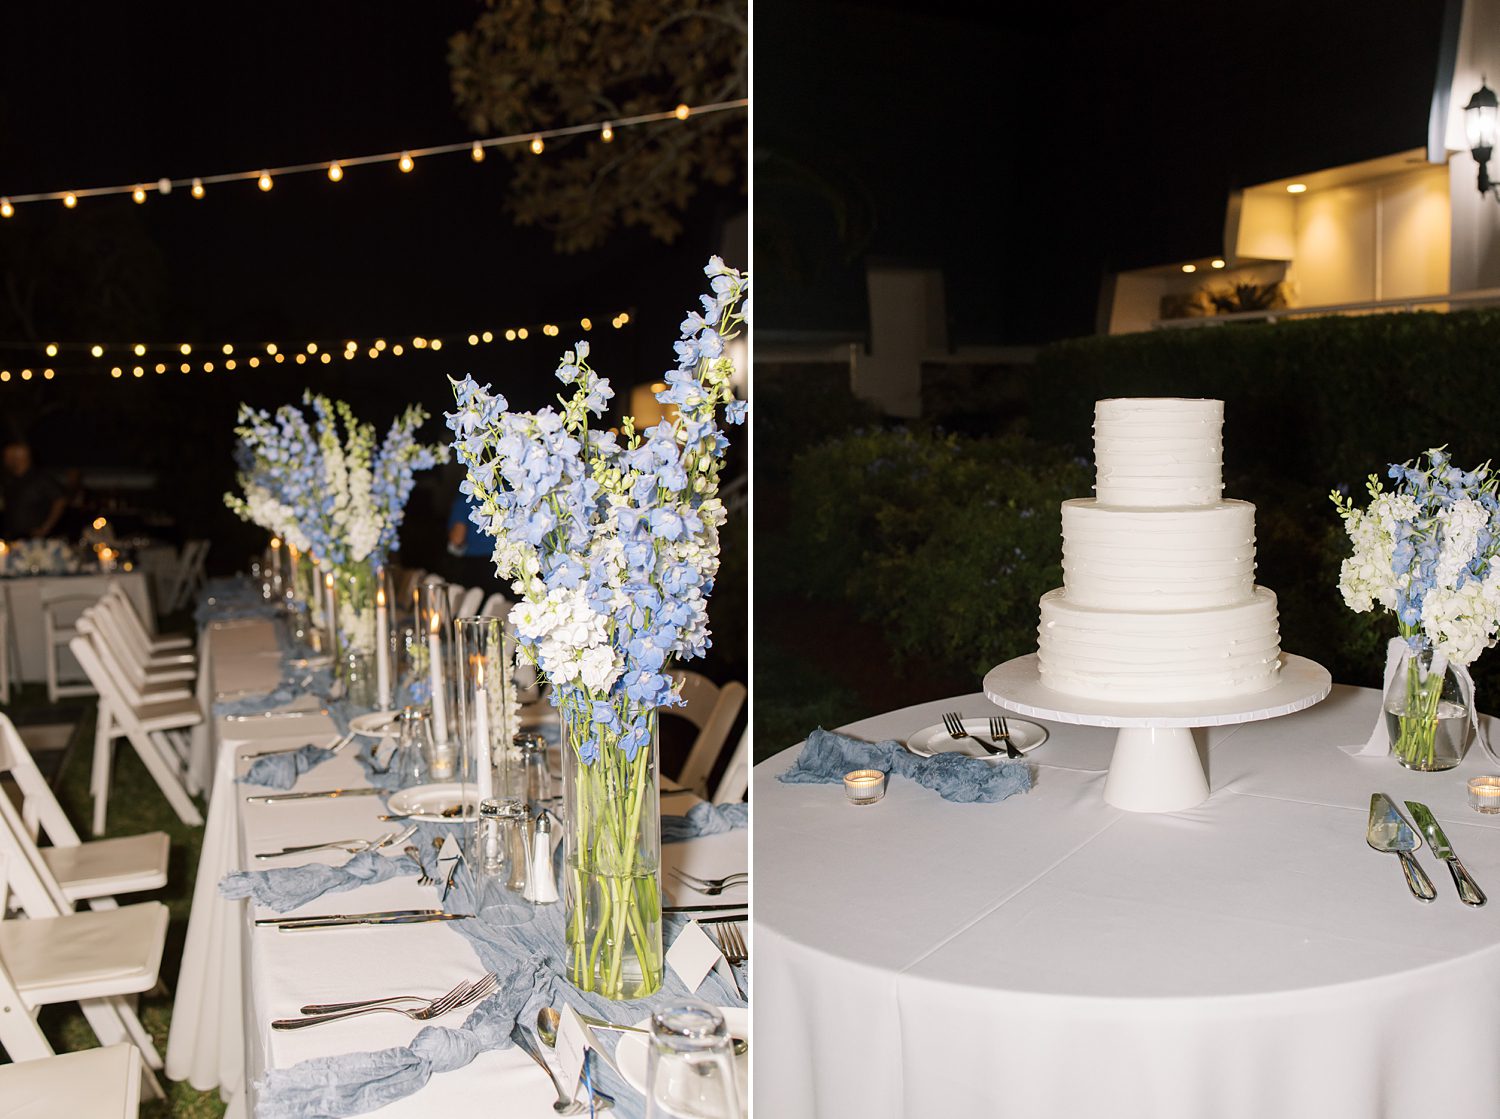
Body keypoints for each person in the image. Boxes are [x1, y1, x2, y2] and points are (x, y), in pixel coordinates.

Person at [1, 442, 66, 539]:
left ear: (18, 459)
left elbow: (61, 500)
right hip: (12, 535)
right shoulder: (10, 479)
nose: (4, 460)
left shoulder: (41, 479)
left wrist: (46, 527)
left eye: (7, 457)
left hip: (35, 538)